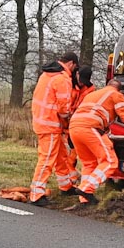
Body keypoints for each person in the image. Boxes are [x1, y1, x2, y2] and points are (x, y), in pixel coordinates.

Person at [68, 65, 124, 204]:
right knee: (110, 161)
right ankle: (86, 188)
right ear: (118, 88)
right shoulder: (115, 94)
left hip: (74, 128)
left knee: (89, 163)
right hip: (90, 128)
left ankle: (84, 200)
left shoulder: (92, 94)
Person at [28, 51, 80, 204]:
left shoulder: (46, 75)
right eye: (75, 68)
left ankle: (66, 186)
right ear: (71, 64)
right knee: (47, 159)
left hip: (43, 121)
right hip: (50, 124)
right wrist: (68, 121)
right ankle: (36, 194)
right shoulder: (62, 78)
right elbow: (63, 108)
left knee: (61, 157)